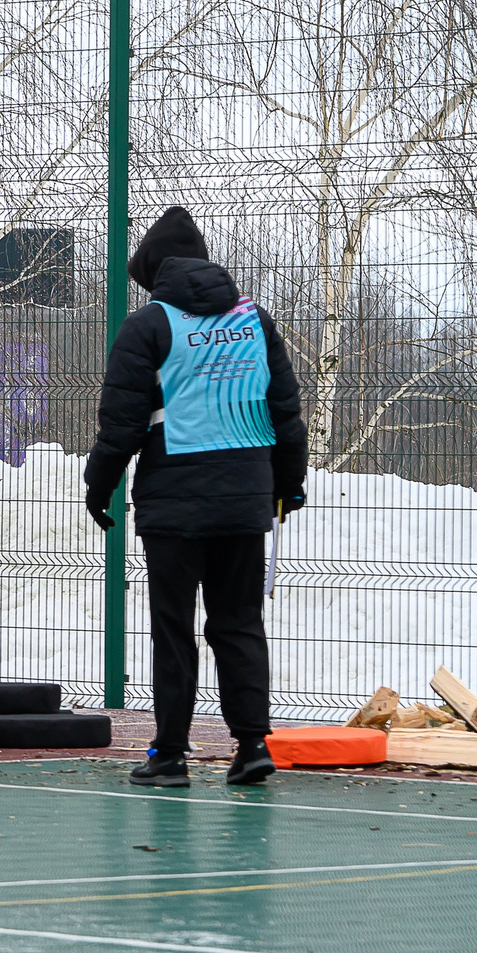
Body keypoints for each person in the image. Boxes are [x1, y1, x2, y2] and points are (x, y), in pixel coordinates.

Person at [83, 204, 307, 789]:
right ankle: (252, 744)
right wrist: (287, 484)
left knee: (173, 629)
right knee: (238, 622)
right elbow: (285, 412)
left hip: (174, 503)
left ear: (155, 271)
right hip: (244, 500)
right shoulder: (255, 321)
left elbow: (122, 421)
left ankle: (171, 755)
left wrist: (99, 483)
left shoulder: (149, 325)